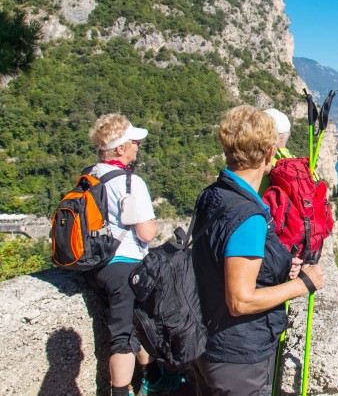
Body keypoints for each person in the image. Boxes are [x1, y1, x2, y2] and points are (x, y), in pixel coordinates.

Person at [192, 105, 325, 395]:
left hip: (205, 340)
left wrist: (278, 265)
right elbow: (241, 301)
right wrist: (302, 285)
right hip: (238, 356)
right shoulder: (248, 216)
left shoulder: (213, 195)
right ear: (269, 154)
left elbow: (219, 260)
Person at [84, 114, 182, 395]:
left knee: (139, 323)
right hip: (125, 268)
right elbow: (147, 233)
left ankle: (153, 375)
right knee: (123, 337)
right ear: (119, 149)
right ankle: (120, 391)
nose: (138, 146)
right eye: (133, 142)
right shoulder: (130, 182)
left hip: (96, 266)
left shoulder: (90, 176)